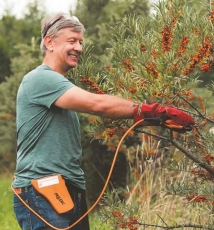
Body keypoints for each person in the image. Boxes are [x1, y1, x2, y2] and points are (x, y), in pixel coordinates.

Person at [12, 13, 194, 230]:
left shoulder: (59, 85)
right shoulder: (40, 79)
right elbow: (99, 105)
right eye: (72, 41)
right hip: (41, 189)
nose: (79, 48)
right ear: (49, 42)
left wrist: (153, 117)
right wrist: (154, 112)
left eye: (80, 42)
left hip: (65, 189)